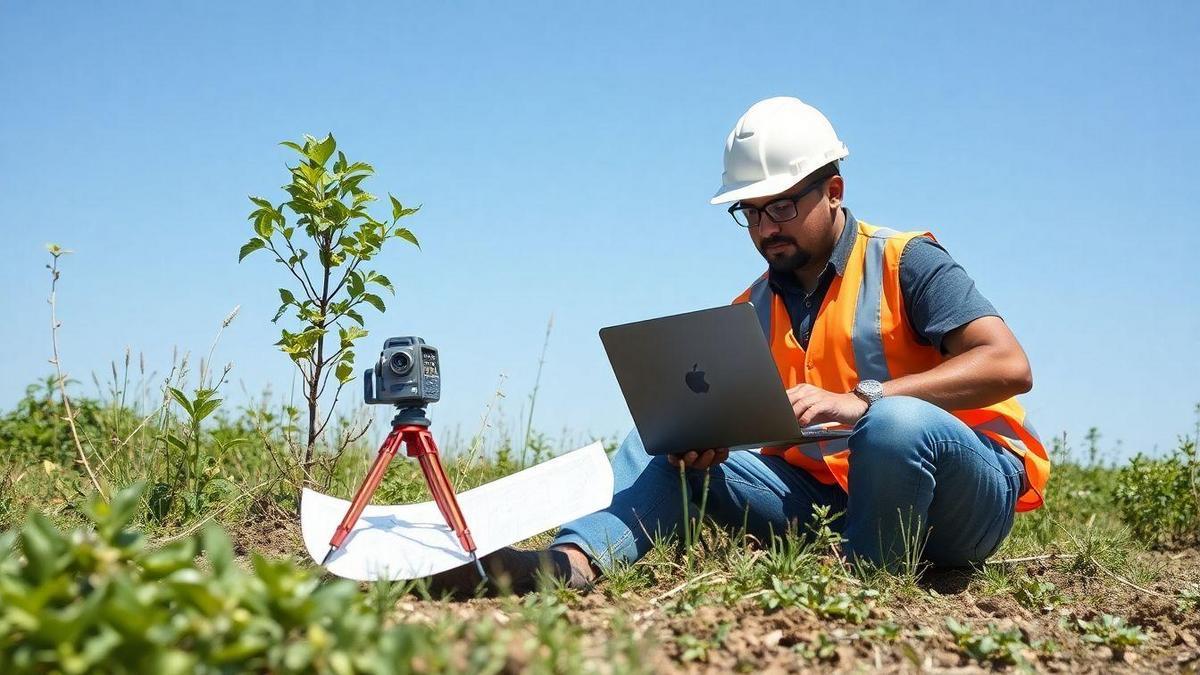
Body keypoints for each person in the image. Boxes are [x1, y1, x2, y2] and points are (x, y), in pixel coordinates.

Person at [430, 96, 1051, 596]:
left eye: (781, 205)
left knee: (894, 424)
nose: (764, 227)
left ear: (833, 190)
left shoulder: (906, 260)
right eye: (749, 212)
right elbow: (764, 433)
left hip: (960, 494)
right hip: (828, 500)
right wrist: (708, 444)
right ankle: (567, 564)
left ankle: (867, 583)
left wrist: (866, 400)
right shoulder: (747, 309)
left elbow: (1008, 365)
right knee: (661, 443)